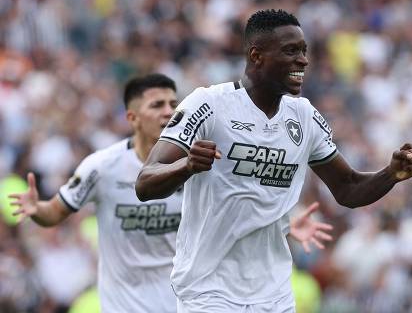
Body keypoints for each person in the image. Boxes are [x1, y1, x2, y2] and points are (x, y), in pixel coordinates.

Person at [135, 9, 412, 313]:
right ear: (256, 56)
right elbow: (145, 182)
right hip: (208, 292)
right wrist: (187, 166)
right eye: (291, 51)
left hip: (274, 296)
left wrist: (391, 173)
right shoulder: (209, 104)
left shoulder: (304, 116)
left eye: (304, 51)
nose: (303, 60)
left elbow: (348, 188)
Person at [9, 73, 334, 312]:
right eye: (156, 105)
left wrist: (288, 222)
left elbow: (239, 208)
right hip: (125, 304)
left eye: (172, 104)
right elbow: (56, 211)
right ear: (132, 118)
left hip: (184, 299)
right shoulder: (102, 167)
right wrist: (36, 209)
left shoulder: (201, 160)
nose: (168, 111)